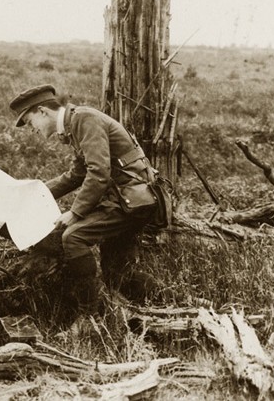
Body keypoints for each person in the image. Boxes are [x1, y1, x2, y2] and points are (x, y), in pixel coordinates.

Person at [9, 84, 161, 314]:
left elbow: (99, 173)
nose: (32, 130)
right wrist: (34, 194)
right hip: (128, 199)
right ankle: (175, 304)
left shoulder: (84, 120)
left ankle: (89, 318)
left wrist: (76, 212)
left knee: (73, 238)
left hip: (130, 199)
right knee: (118, 276)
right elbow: (77, 175)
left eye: (30, 122)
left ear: (43, 111)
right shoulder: (74, 123)